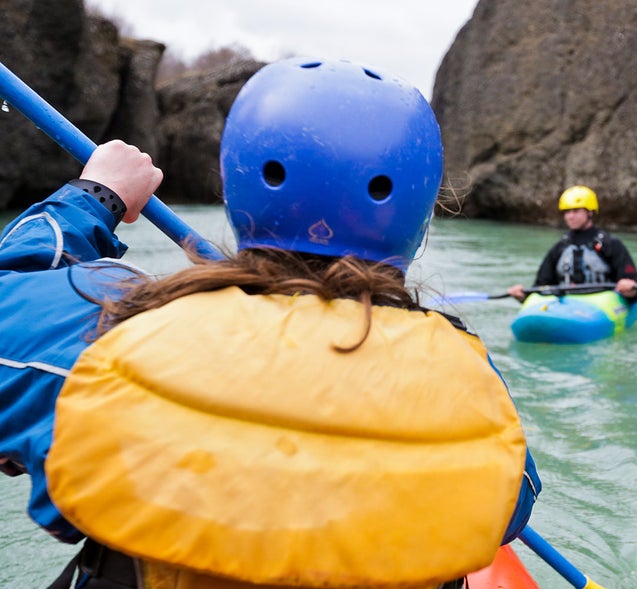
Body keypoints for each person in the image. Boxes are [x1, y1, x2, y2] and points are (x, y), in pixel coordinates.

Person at [0, 57, 540, 589]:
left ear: (237, 193)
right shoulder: (469, 383)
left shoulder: (113, 333)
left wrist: (97, 195)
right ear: (418, 223)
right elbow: (515, 505)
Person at [507, 185, 637, 301]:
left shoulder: (610, 244)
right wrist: (523, 296)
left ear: (590, 212)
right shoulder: (560, 247)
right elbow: (540, 287)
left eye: (576, 211)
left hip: (603, 303)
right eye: (567, 212)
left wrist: (630, 288)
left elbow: (634, 283)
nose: (570, 216)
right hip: (568, 305)